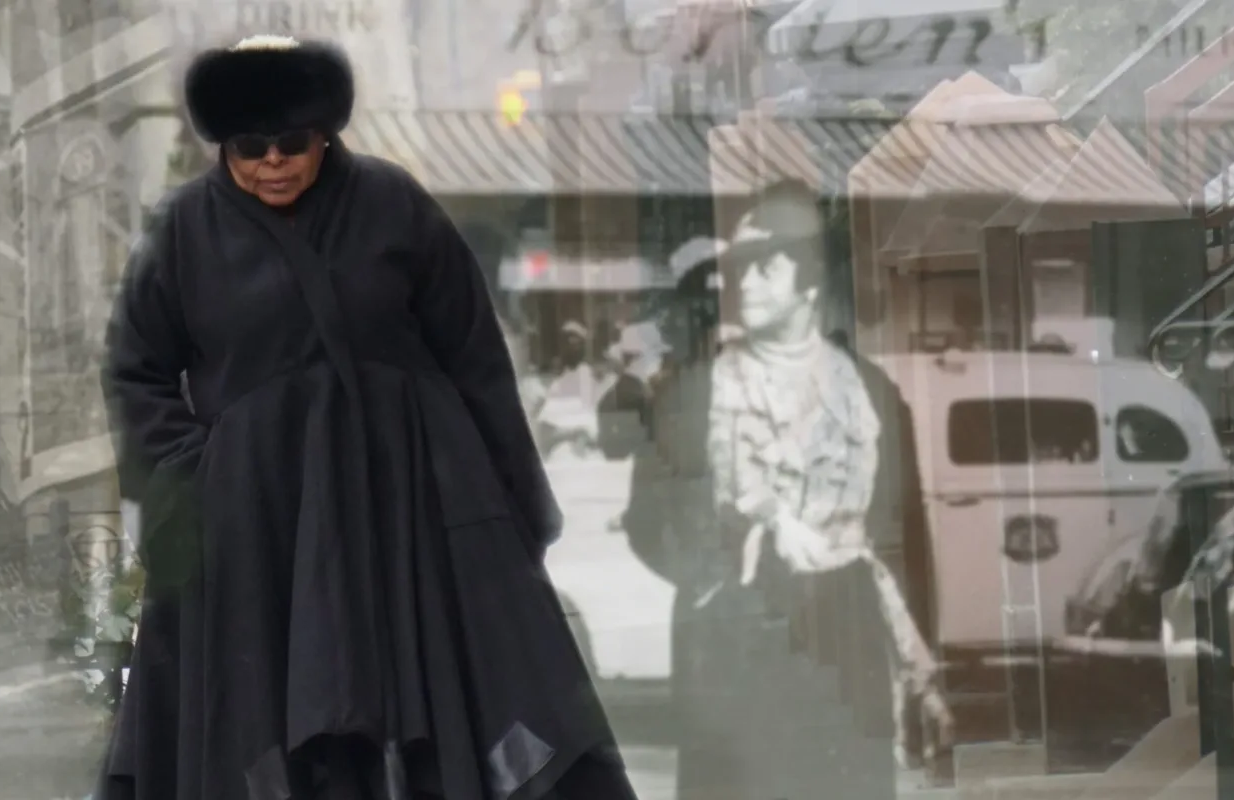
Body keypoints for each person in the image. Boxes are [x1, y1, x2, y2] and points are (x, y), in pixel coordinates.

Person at [98, 35, 637, 800]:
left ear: (326, 134)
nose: (273, 162)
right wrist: (196, 483)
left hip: (409, 502)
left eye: (292, 141)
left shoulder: (395, 204)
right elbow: (135, 370)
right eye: (250, 146)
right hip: (264, 520)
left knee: (452, 701)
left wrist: (509, 508)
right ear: (222, 147)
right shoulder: (182, 229)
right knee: (277, 725)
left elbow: (474, 357)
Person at [598, 180, 947, 800]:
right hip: (735, 651)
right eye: (740, 269)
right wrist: (717, 576)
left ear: (810, 280)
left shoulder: (873, 396)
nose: (746, 283)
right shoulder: (692, 395)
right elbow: (649, 518)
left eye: (766, 266)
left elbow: (906, 542)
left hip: (847, 647)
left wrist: (919, 670)